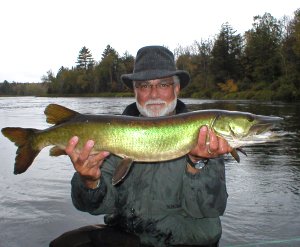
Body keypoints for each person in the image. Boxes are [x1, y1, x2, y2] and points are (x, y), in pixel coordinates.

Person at [50, 46, 232, 247]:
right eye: (144, 86)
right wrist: (89, 181)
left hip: (185, 241)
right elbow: (92, 206)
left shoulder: (205, 137)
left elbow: (210, 208)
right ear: (135, 91)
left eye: (163, 84)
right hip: (129, 237)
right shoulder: (112, 135)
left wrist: (197, 163)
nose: (154, 94)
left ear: (176, 88)